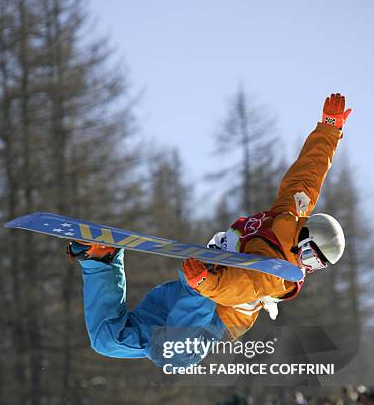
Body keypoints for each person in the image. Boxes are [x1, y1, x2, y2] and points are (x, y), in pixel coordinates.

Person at [68, 93, 351, 368]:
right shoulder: (283, 240)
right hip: (210, 309)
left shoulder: (285, 270)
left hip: (200, 287)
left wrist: (204, 282)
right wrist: (329, 129)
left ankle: (101, 261)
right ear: (305, 234)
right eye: (311, 256)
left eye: (317, 265)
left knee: (107, 340)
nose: (307, 266)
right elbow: (307, 174)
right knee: (173, 356)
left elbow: (240, 287)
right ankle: (108, 261)